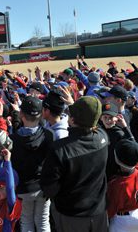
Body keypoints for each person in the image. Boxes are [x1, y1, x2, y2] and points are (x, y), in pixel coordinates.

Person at [41, 96, 109, 232]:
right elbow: (95, 125)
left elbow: (49, 189)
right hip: (99, 212)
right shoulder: (103, 137)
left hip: (71, 215)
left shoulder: (59, 149)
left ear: (71, 120)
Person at [10, 96, 54, 232]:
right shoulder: (48, 135)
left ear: (21, 114)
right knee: (43, 221)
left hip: (24, 189)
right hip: (43, 187)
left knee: (26, 222)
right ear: (41, 114)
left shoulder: (13, 139)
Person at [106, 139, 138, 232]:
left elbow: (110, 210)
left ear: (116, 159)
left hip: (122, 221)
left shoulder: (115, 184)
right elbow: (136, 156)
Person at [0, 149, 22, 232]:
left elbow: (10, 188)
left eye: (1, 188)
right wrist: (0, 158)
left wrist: (7, 161)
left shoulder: (12, 203)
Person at [99, 102, 134, 180]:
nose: (108, 120)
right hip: (102, 169)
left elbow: (133, 147)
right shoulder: (99, 131)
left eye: (111, 117)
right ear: (101, 118)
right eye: (105, 117)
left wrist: (125, 127)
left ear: (117, 118)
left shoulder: (119, 133)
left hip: (115, 171)